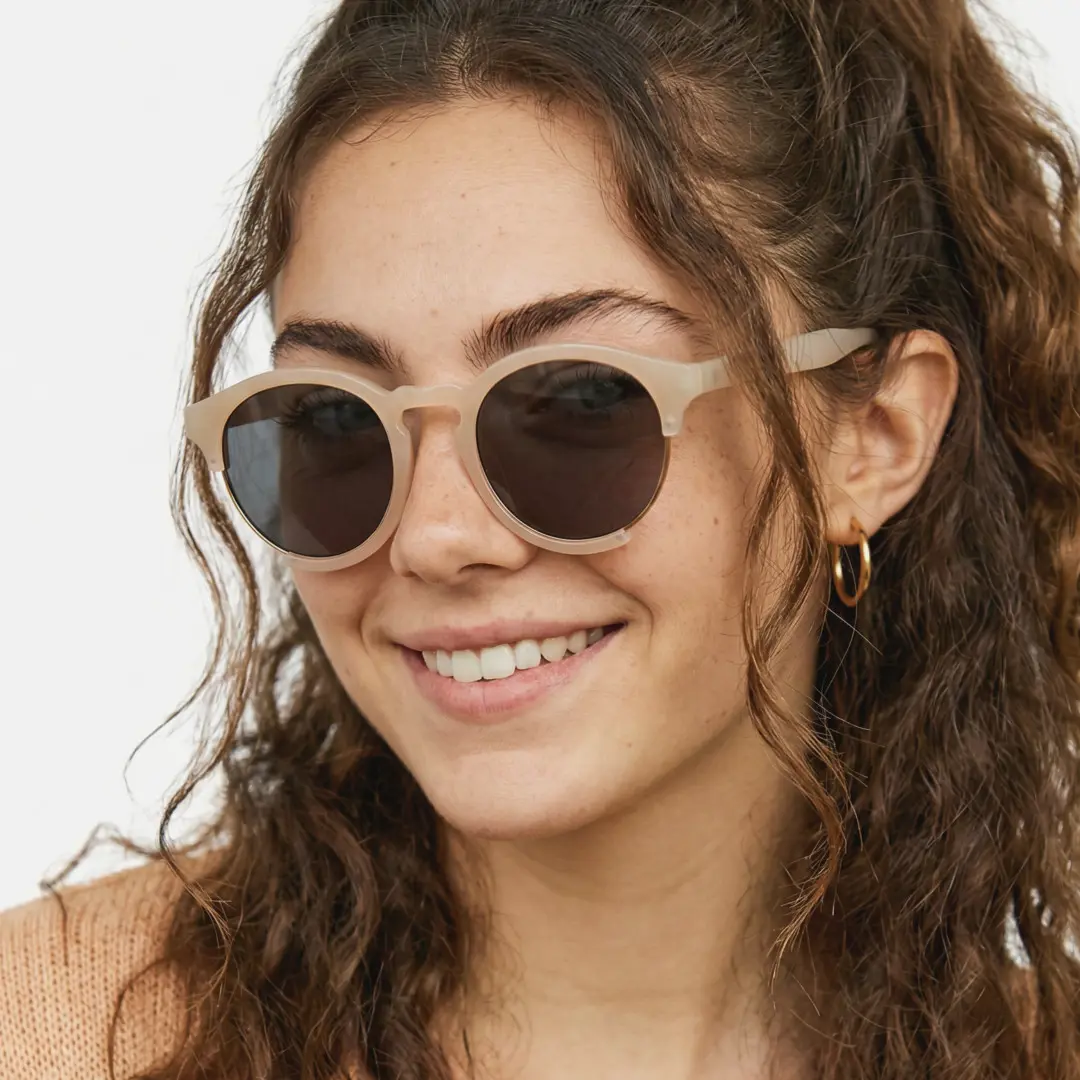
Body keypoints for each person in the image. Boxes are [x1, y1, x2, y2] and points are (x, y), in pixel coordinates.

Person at [3, 0, 1080, 1077]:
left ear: (874, 438)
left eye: (577, 404)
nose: (432, 536)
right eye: (337, 417)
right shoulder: (50, 1034)